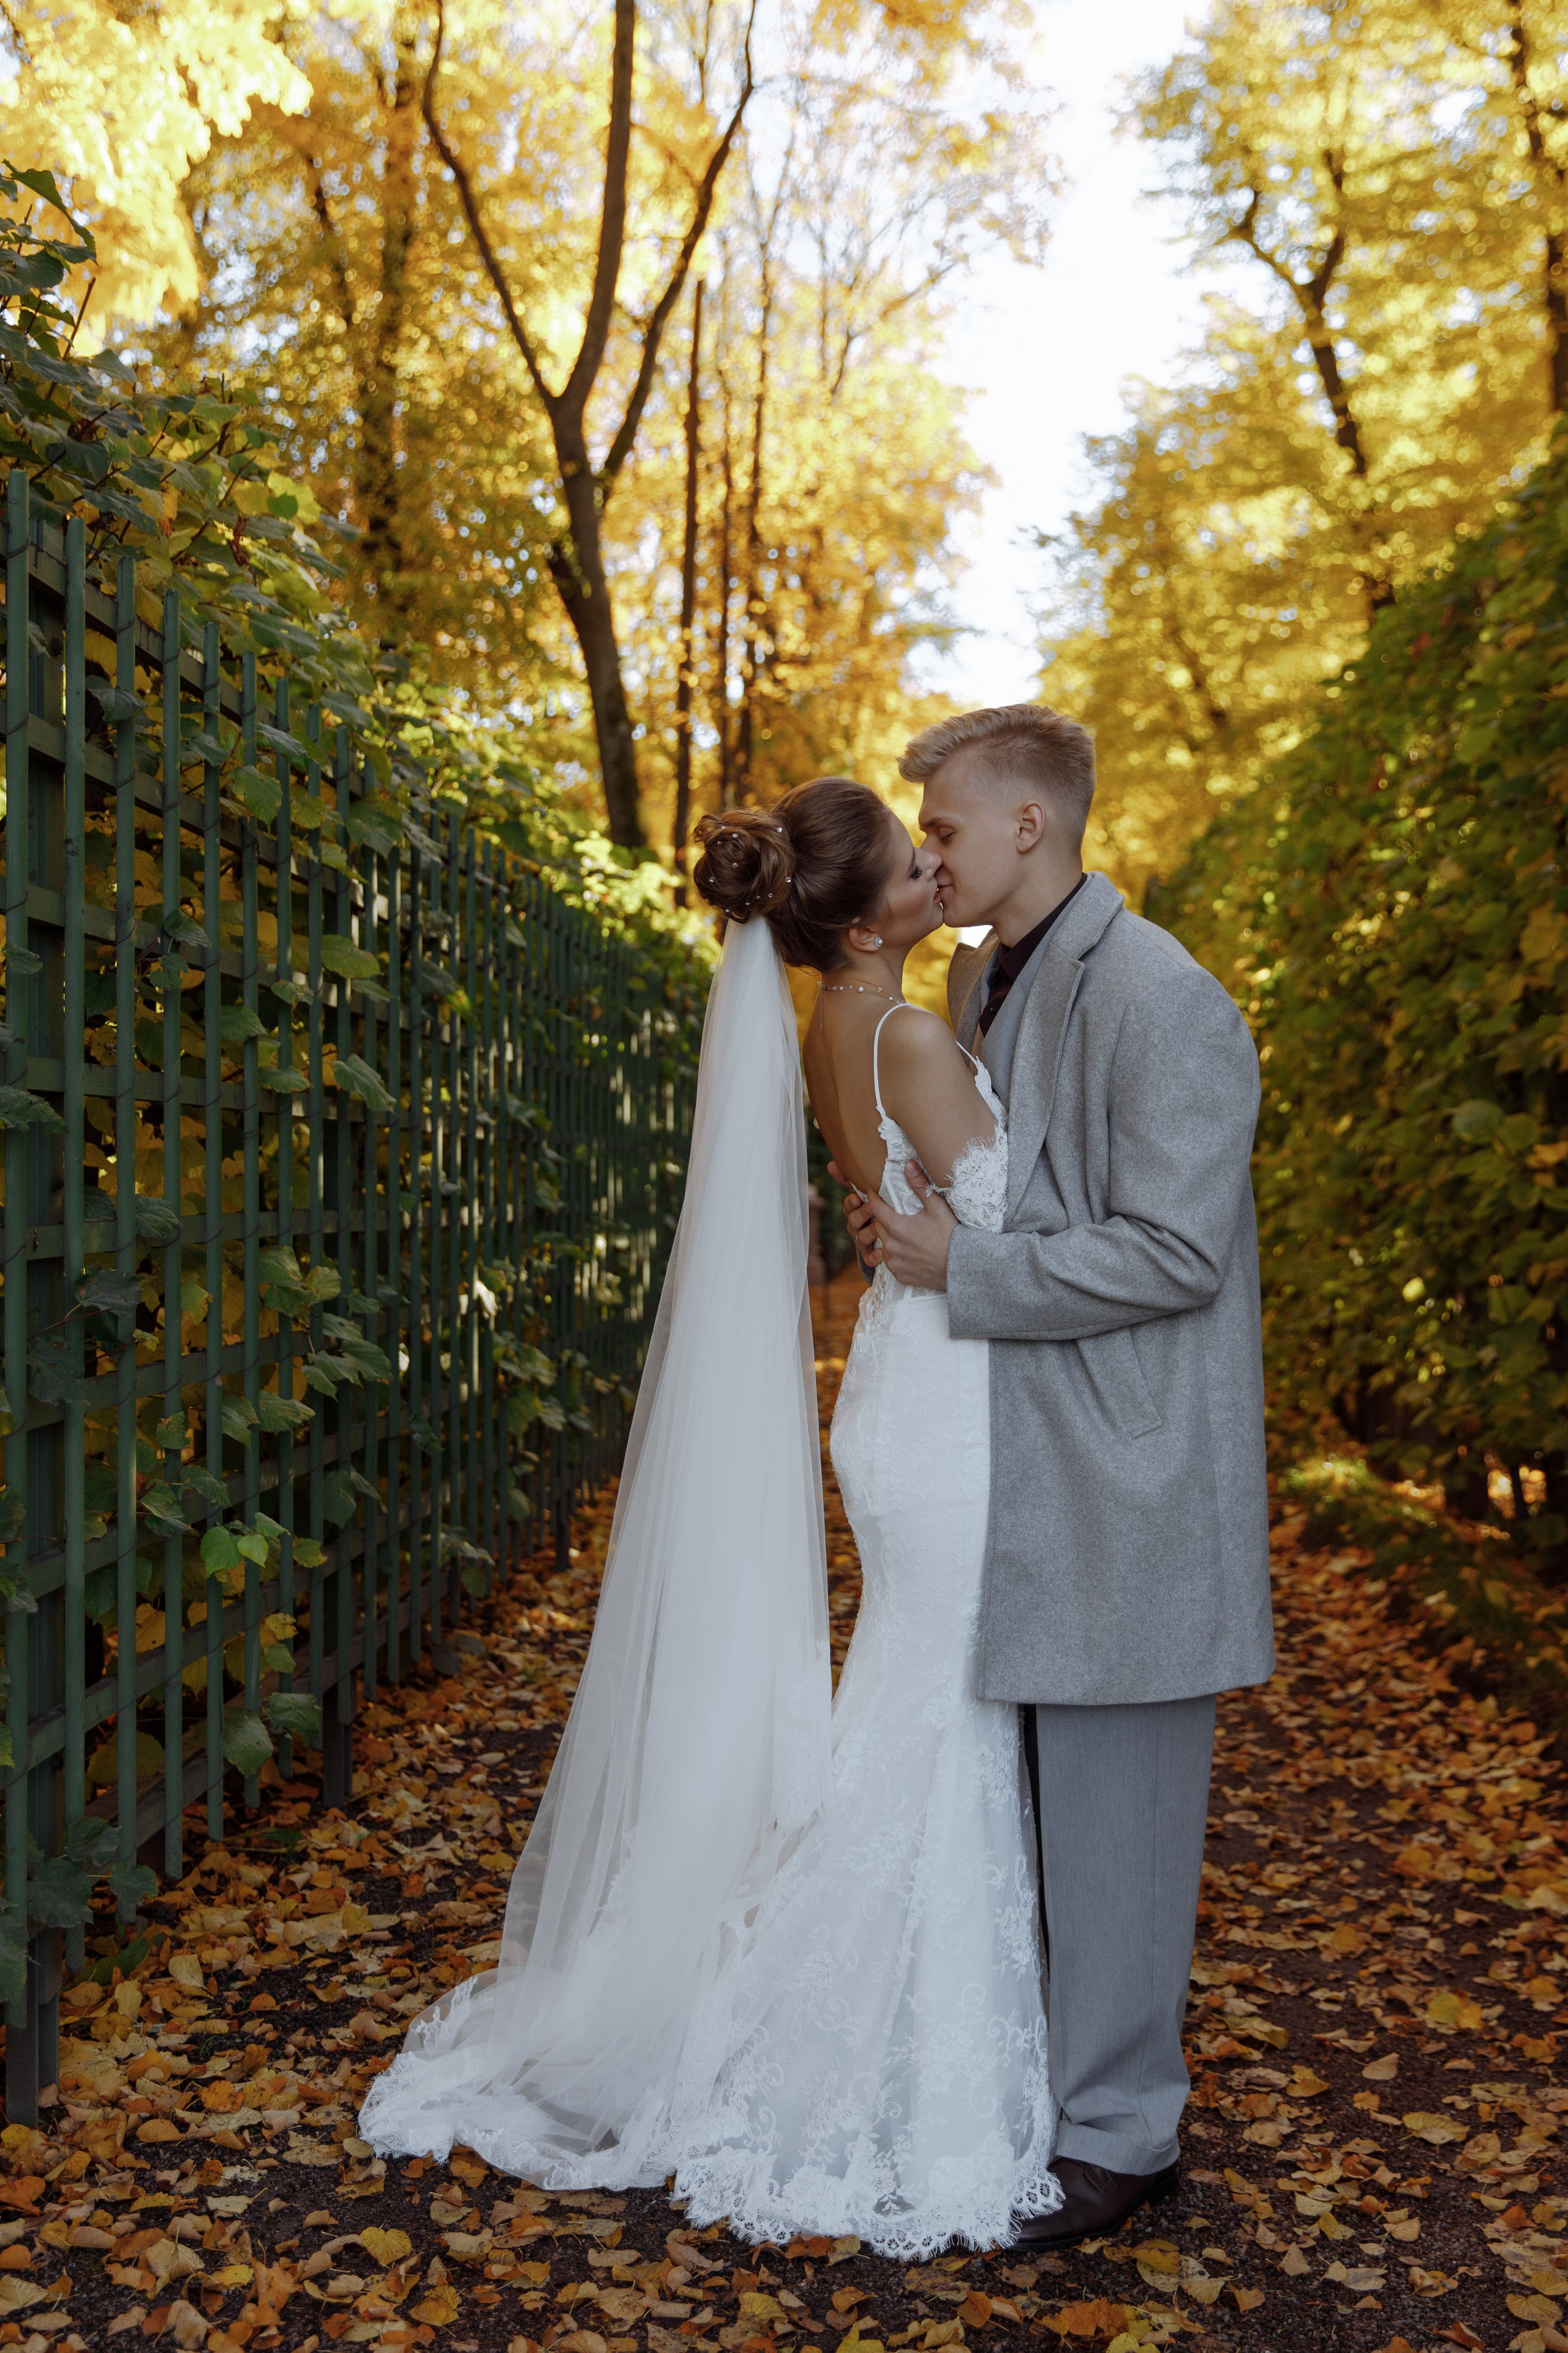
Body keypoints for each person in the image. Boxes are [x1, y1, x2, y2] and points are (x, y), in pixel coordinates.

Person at [361, 773, 1064, 2257]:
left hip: (905, 1382)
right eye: (912, 854)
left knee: (921, 1702)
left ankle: (861, 2023)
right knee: (940, 1717)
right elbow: (1013, 1234)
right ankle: (861, 2062)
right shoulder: (914, 1034)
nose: (935, 863)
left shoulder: (832, 1025)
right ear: (867, 913)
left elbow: (919, 1208)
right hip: (947, 1401)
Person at [841, 704, 1272, 2247]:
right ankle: (1058, 2104)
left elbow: (1175, 1249)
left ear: (1030, 824)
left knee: (1119, 1817)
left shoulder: (1164, 997)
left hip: (1134, 1466)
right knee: (1035, 1812)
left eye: (944, 829)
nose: (928, 856)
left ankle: (1124, 2139)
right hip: (1029, 1451)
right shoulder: (974, 976)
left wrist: (970, 1265)